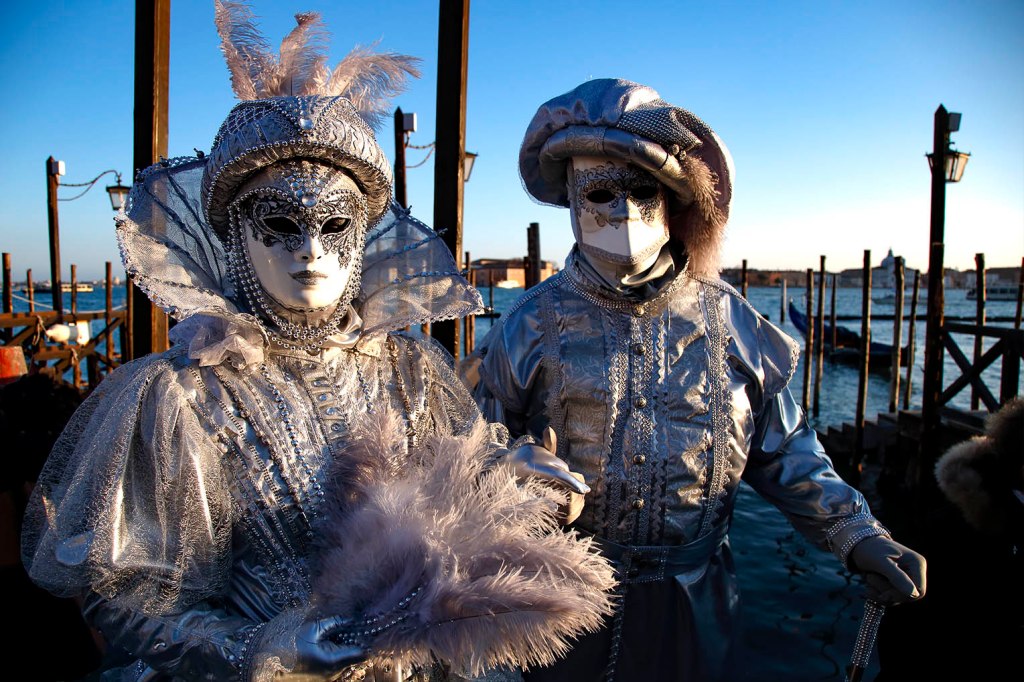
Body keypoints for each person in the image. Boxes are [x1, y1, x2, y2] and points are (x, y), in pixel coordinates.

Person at [20, 5, 609, 681]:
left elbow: (449, 507)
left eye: (334, 225)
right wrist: (261, 649)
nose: (309, 249)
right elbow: (125, 601)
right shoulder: (182, 396)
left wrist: (512, 485)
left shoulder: (412, 368)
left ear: (363, 234)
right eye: (279, 223)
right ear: (234, 234)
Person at [468, 78, 928, 682]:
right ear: (573, 201)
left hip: (697, 605)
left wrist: (855, 532)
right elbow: (472, 450)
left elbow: (783, 448)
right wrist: (515, 480)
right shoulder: (528, 324)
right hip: (560, 608)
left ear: (670, 197)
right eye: (601, 192)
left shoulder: (733, 322)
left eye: (642, 191)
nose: (622, 210)